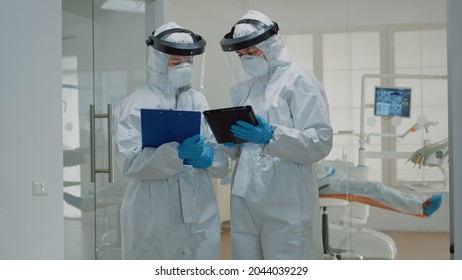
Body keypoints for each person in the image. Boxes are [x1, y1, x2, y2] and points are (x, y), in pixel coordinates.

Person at [219, 10, 333, 260]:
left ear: (270, 45)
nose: (246, 59)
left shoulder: (299, 81)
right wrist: (231, 142)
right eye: (241, 55)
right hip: (245, 197)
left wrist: (271, 135)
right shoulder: (246, 89)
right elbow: (243, 152)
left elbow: (320, 141)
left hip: (286, 197)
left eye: (251, 52)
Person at [112, 22, 228, 260]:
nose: (184, 67)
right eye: (176, 62)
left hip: (199, 206)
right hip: (153, 209)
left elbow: (219, 156)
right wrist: (175, 154)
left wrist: (208, 157)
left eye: (188, 62)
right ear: (158, 62)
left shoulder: (198, 100)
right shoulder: (135, 104)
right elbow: (129, 163)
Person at [315, 161, 445, 217]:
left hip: (330, 179)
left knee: (377, 187)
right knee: (376, 188)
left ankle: (419, 202)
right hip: (325, 184)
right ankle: (420, 207)